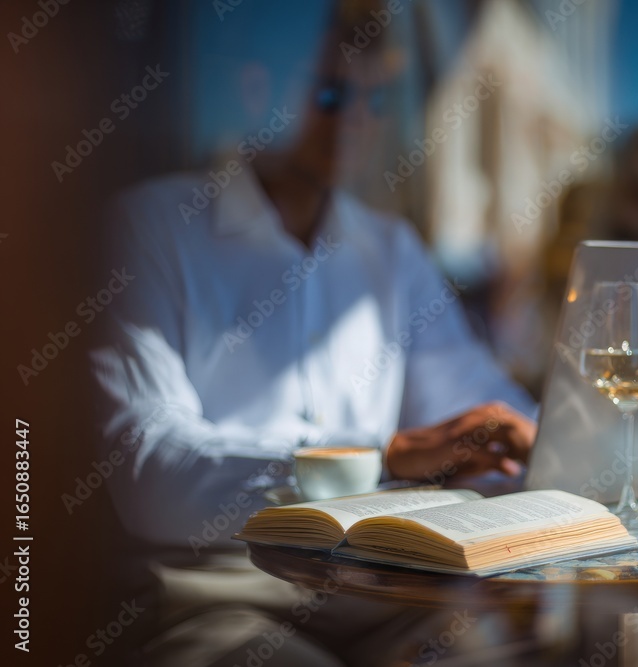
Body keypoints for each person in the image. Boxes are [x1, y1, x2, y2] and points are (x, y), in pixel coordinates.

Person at [90, 2, 536, 665]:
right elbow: (147, 469)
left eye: (374, 98)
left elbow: (482, 399)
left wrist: (547, 440)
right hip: (216, 590)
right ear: (255, 91)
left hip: (385, 589)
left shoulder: (390, 250)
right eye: (329, 93)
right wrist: (378, 457)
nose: (353, 119)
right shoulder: (148, 229)